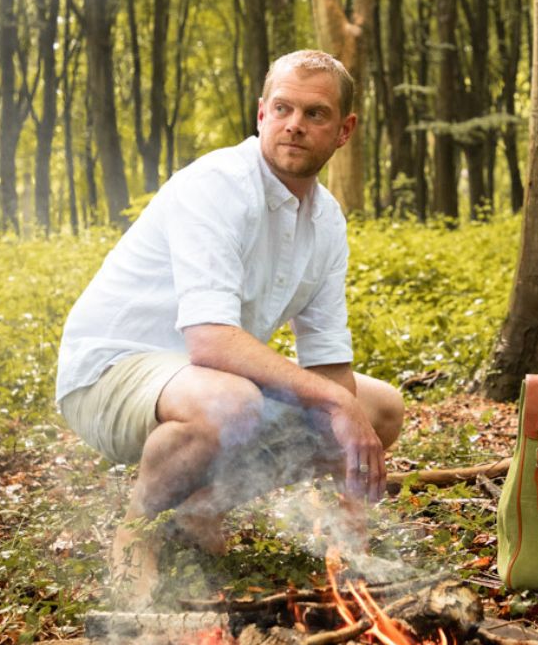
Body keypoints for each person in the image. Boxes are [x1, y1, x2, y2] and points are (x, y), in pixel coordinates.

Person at [56, 49, 404, 602]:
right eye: (283, 108)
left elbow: (329, 362)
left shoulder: (327, 219)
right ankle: (138, 533)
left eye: (315, 113)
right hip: (110, 372)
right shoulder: (218, 185)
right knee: (232, 401)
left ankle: (197, 510)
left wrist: (350, 523)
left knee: (379, 406)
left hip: (202, 379)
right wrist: (334, 405)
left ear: (344, 130)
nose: (295, 124)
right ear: (262, 114)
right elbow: (211, 341)